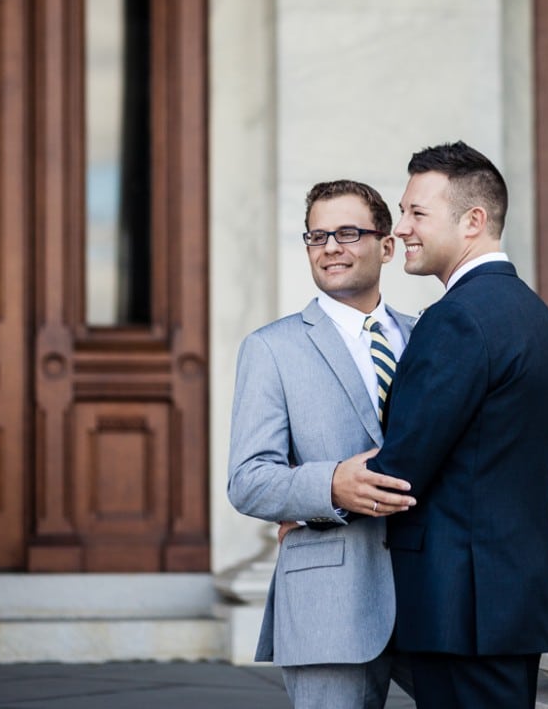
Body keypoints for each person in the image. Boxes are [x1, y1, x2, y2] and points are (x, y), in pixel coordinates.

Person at [331, 141, 548, 709]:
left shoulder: (457, 321)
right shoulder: (533, 314)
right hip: (507, 596)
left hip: (460, 607)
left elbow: (401, 471)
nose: (402, 227)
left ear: (473, 221)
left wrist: (319, 503)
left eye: (418, 212)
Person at [227, 179, 417, 709]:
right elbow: (248, 481)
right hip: (328, 598)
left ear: (386, 245)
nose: (330, 246)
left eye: (348, 232)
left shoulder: (428, 335)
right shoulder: (271, 349)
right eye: (317, 236)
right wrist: (330, 485)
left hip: (434, 591)